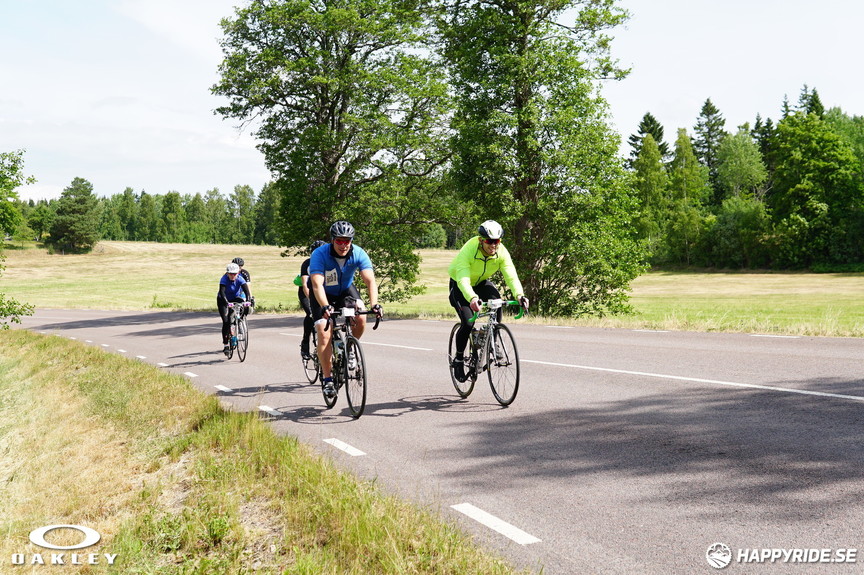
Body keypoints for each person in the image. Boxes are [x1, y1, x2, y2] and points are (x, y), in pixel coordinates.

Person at [448, 220, 529, 382]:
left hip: (480, 283)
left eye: (497, 241)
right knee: (468, 323)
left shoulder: (501, 252)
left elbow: (511, 274)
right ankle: (458, 360)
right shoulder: (469, 249)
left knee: (497, 302)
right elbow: (463, 279)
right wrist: (472, 298)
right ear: (481, 240)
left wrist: (519, 295)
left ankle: (492, 338)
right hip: (460, 285)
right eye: (489, 241)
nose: (494, 245)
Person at [309, 220, 383, 398]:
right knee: (324, 331)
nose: (343, 245)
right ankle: (327, 380)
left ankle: (350, 347)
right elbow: (317, 284)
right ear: (332, 240)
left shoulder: (358, 253)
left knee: (361, 317)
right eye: (339, 241)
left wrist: (374, 304)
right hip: (322, 294)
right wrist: (325, 306)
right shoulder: (320, 254)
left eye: (347, 241)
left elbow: (370, 280)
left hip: (345, 291)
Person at [298, 240, 327, 360]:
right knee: (311, 314)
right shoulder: (307, 264)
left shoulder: (328, 262)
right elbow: (305, 284)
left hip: (322, 291)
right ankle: (305, 343)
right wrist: (313, 300)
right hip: (307, 293)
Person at [217, 262, 252, 355]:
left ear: (238, 273)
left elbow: (247, 292)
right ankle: (225, 345)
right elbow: (222, 292)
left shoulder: (240, 279)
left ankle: (239, 321)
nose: (232, 276)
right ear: (227, 273)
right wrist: (227, 303)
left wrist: (248, 301)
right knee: (226, 321)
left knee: (245, 307)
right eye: (230, 274)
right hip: (223, 300)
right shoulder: (224, 279)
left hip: (236, 298)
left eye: (234, 274)